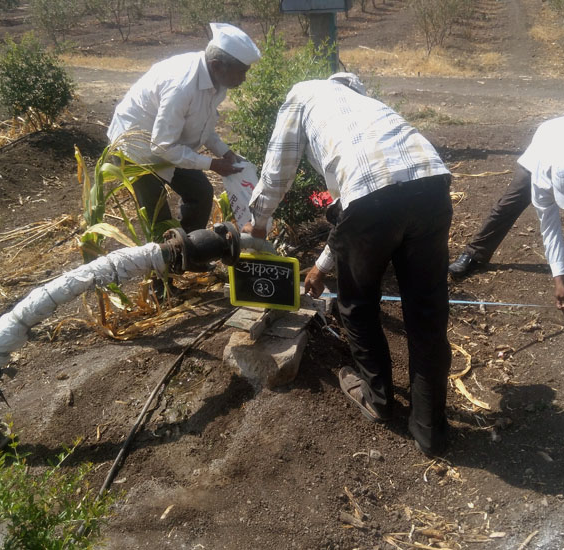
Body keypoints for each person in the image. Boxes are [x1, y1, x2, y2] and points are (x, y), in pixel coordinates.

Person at [243, 73, 453, 456]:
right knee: (427, 313)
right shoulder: (370, 106)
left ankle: (378, 400)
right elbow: (351, 216)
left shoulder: (302, 95)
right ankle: (430, 430)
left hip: (373, 200)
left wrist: (258, 222)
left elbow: (278, 171)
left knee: (357, 305)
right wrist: (322, 267)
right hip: (433, 187)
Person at [448, 114, 564, 309]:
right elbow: (550, 229)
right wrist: (557, 281)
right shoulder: (541, 173)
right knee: (509, 204)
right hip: (546, 143)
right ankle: (474, 253)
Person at [107, 23, 260, 236]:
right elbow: (161, 146)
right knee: (157, 215)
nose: (243, 79)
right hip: (136, 149)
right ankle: (166, 261)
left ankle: (191, 251)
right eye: (241, 72)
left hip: (168, 143)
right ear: (217, 65)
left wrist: (224, 151)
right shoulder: (181, 86)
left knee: (201, 193)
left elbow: (202, 124)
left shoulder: (217, 82)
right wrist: (213, 164)